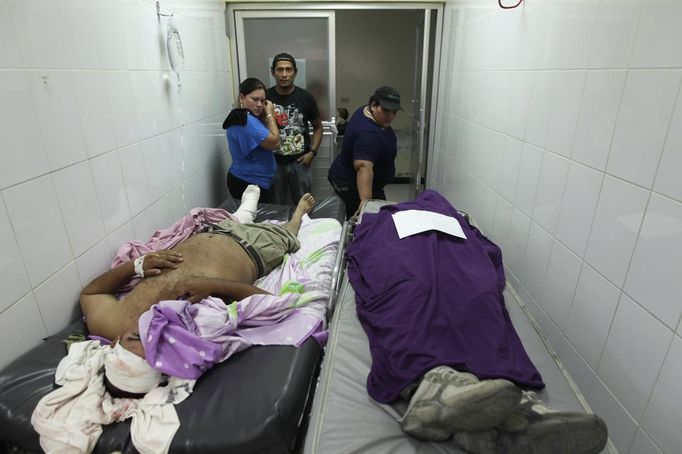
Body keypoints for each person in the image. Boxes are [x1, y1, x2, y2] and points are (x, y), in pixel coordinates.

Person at [346, 190, 608, 454]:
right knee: (414, 293)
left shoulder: (453, 220)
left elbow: (487, 256)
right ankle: (436, 387)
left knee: (475, 295)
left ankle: (479, 419)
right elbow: (491, 254)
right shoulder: (382, 222)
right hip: (400, 251)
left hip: (456, 252)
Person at [80, 191, 316, 366]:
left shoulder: (112, 323)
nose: (149, 335)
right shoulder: (189, 329)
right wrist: (212, 286)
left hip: (214, 231)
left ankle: (246, 208)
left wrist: (137, 265)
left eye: (135, 339)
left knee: (238, 218)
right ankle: (298, 216)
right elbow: (271, 301)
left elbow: (90, 293)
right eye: (151, 347)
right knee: (287, 234)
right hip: (254, 249)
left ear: (114, 344)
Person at [328, 86, 402, 218]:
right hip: (351, 183)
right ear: (373, 105)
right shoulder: (368, 134)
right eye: (385, 110)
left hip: (368, 181)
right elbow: (364, 168)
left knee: (379, 217)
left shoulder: (365, 110)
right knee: (365, 221)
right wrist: (366, 203)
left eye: (394, 112)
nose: (390, 116)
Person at [266, 52, 323, 205]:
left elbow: (318, 127)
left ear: (295, 72)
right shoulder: (265, 97)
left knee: (303, 207)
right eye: (280, 70)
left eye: (288, 70)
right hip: (273, 163)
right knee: (276, 207)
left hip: (300, 162)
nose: (284, 74)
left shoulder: (306, 97)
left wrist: (313, 152)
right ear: (273, 72)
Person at [223, 77, 280, 202]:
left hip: (250, 180)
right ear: (242, 97)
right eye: (254, 99)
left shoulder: (242, 116)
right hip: (249, 182)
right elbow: (275, 142)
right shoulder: (247, 121)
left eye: (263, 101)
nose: (259, 104)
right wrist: (270, 114)